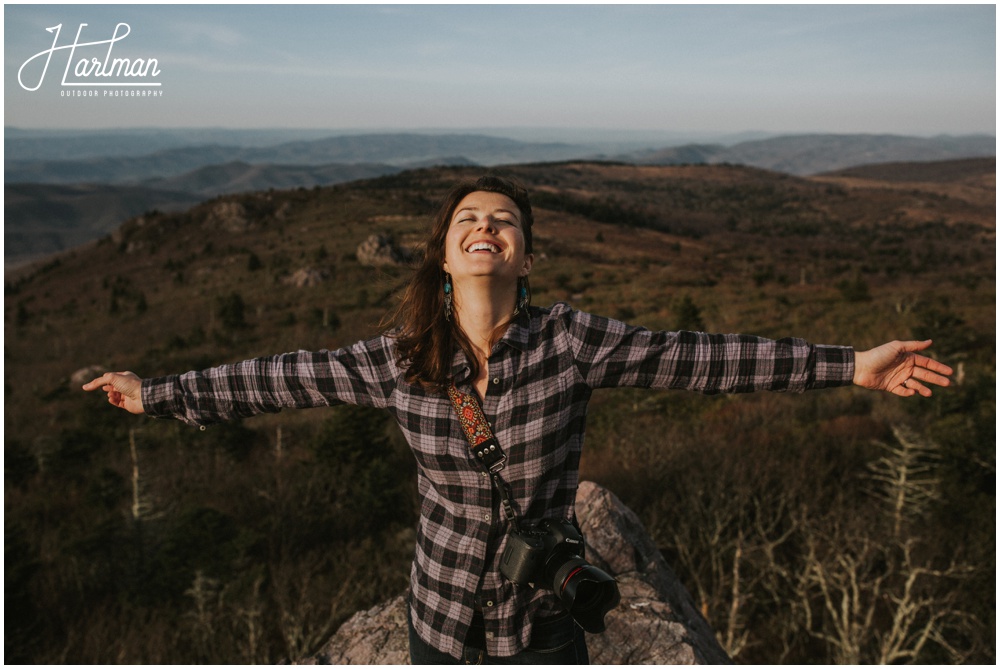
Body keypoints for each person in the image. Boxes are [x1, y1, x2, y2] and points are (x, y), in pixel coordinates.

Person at [83, 175, 953, 664]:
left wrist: (849, 365)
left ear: (526, 253)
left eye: (503, 220)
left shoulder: (571, 340)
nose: (485, 226)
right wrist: (160, 392)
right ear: (446, 250)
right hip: (439, 613)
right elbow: (281, 378)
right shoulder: (399, 356)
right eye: (468, 218)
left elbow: (703, 358)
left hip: (542, 614)